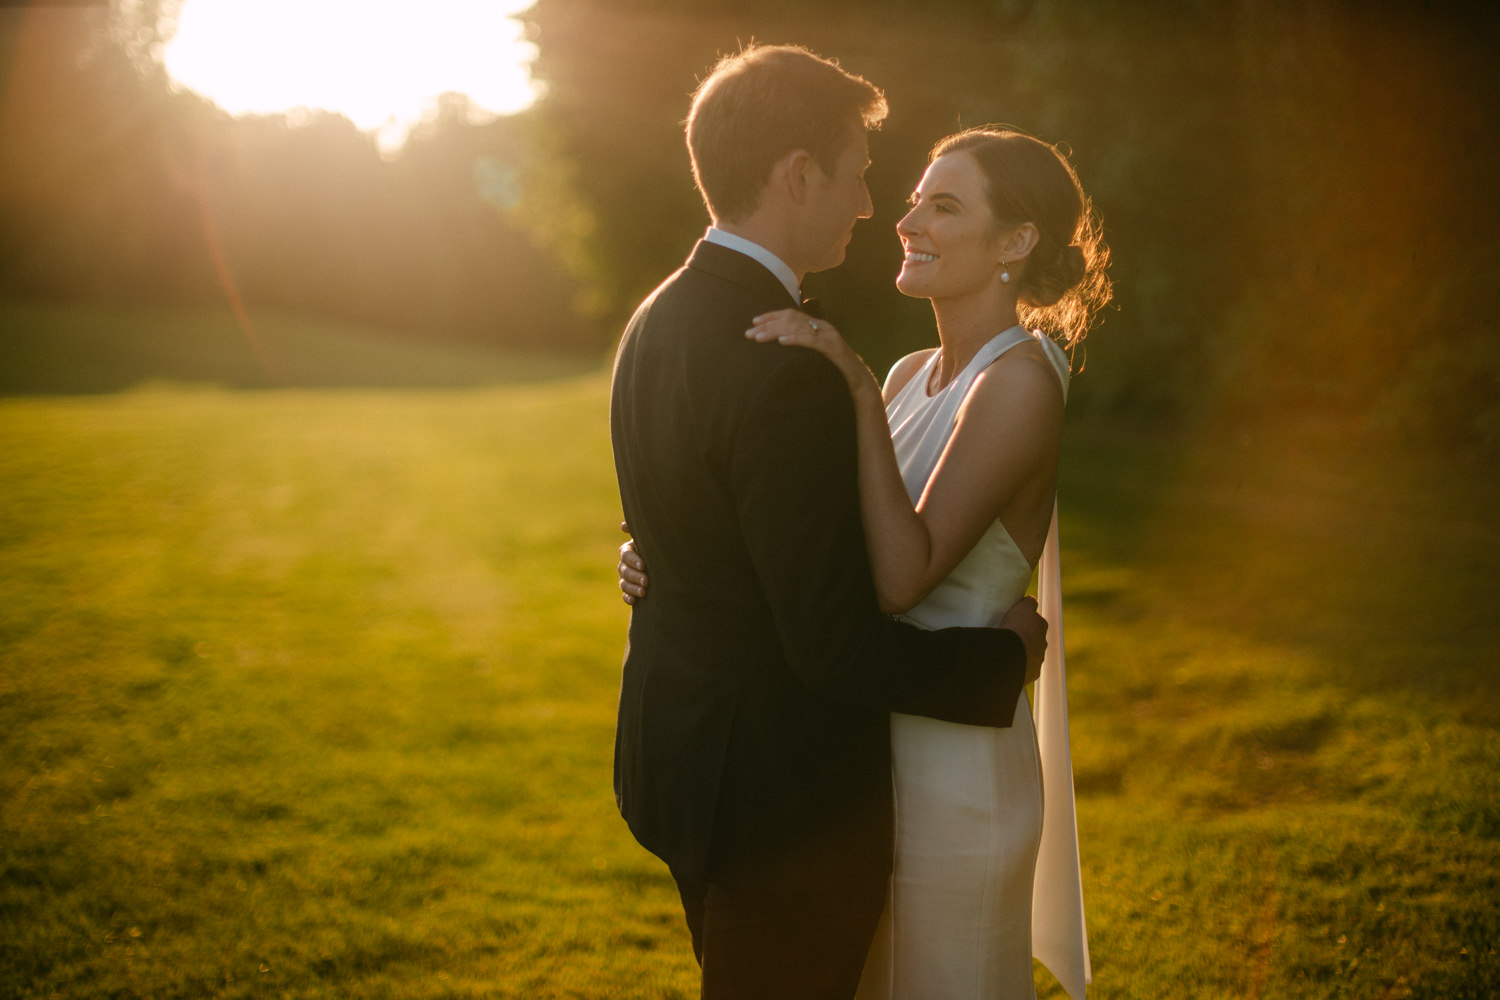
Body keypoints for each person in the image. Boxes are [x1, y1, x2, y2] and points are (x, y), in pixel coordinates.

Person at [621, 127, 1112, 998]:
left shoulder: (1022, 381)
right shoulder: (906, 373)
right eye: (916, 196)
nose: (906, 217)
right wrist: (669, 556)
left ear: (1016, 241)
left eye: (944, 204)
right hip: (864, 752)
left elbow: (900, 574)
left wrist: (845, 380)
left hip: (957, 766)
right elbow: (810, 544)